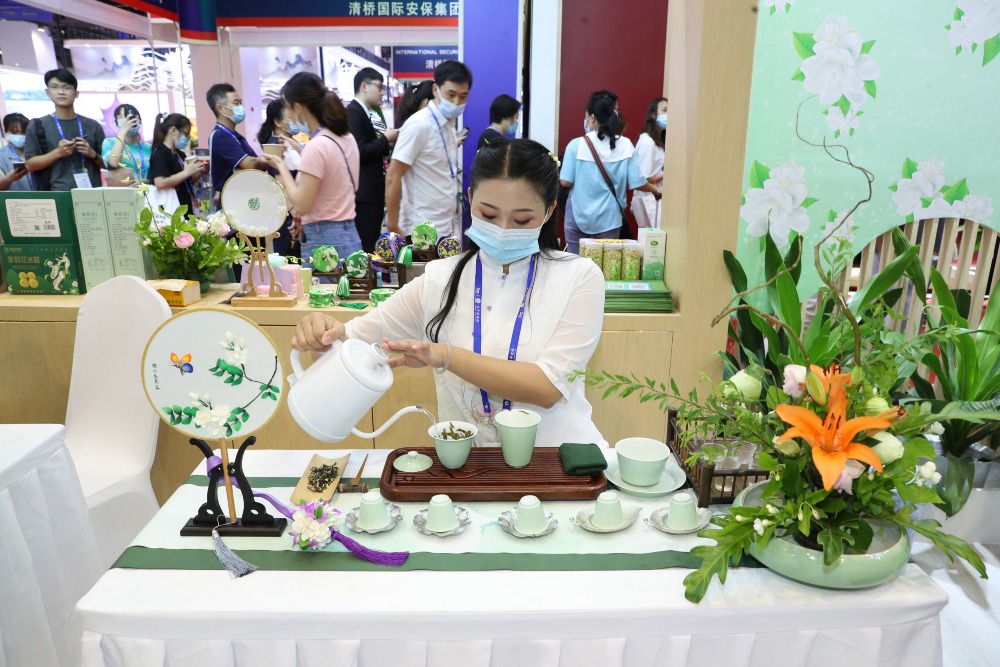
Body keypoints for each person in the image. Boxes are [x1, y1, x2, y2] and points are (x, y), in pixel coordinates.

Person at [292, 138, 606, 448]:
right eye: (488, 215)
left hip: (560, 464)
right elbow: (351, 342)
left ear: (550, 210)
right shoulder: (439, 278)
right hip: (468, 469)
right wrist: (321, 333)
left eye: (522, 220)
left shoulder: (579, 277)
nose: (504, 229)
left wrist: (446, 356)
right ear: (470, 199)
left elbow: (547, 387)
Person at [259, 72, 362, 266]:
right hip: (349, 233)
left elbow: (301, 205)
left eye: (288, 108)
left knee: (323, 295)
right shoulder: (345, 137)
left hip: (324, 240)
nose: (289, 115)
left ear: (298, 108)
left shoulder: (318, 145)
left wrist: (280, 167)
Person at [559, 90, 660, 253]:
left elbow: (565, 182)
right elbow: (637, 182)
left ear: (592, 118)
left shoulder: (576, 145)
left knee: (574, 264)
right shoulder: (626, 145)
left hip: (577, 216)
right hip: (609, 219)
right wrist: (655, 189)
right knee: (604, 267)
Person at [386, 60, 473, 240]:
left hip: (445, 227)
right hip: (420, 231)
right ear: (436, 90)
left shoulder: (448, 126)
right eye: (451, 94)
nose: (457, 102)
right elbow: (393, 176)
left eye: (463, 96)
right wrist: (393, 226)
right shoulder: (420, 125)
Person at [24, 69, 105, 191]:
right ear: (47, 92)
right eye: (55, 87)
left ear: (76, 93)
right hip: (55, 195)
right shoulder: (37, 125)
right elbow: (30, 165)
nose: (61, 92)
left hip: (92, 194)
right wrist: (58, 153)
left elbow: (109, 164)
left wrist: (91, 153)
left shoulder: (93, 126)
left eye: (67, 88)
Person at [347, 67, 399, 252]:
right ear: (364, 86)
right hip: (364, 194)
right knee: (366, 245)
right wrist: (386, 139)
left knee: (371, 242)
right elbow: (359, 150)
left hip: (370, 192)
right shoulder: (354, 112)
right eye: (379, 86)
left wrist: (387, 142)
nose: (382, 92)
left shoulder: (365, 113)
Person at [206, 82, 268, 204]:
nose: (241, 107)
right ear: (221, 108)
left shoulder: (235, 135)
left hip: (243, 197)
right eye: (236, 103)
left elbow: (256, 166)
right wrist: (272, 158)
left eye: (240, 103)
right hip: (232, 200)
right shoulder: (219, 136)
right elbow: (250, 164)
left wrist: (260, 162)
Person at [147, 113, 205, 215]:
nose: (187, 139)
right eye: (186, 134)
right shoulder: (160, 153)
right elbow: (160, 183)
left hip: (185, 207)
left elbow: (185, 183)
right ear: (174, 130)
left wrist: (198, 171)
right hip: (171, 212)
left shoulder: (180, 154)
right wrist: (186, 172)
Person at [632, 97, 667, 228]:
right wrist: (665, 173)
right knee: (652, 243)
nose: (668, 114)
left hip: (655, 199)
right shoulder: (647, 143)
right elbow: (642, 179)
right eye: (664, 110)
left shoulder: (659, 140)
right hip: (649, 199)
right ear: (653, 115)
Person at [102, 103, 152, 186]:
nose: (128, 120)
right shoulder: (109, 143)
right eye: (122, 117)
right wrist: (123, 131)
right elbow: (114, 163)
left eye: (132, 117)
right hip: (123, 194)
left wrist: (148, 181)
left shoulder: (149, 148)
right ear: (117, 121)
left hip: (146, 192)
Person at [257, 98, 304, 173]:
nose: (296, 120)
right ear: (278, 122)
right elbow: (279, 178)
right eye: (291, 117)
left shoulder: (291, 141)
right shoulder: (275, 145)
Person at [0, 113, 33, 191]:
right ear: (6, 132)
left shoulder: (35, 152)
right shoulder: (2, 156)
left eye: (23, 132)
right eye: (14, 132)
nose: (19, 135)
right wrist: (9, 178)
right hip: (13, 201)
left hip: (40, 200)